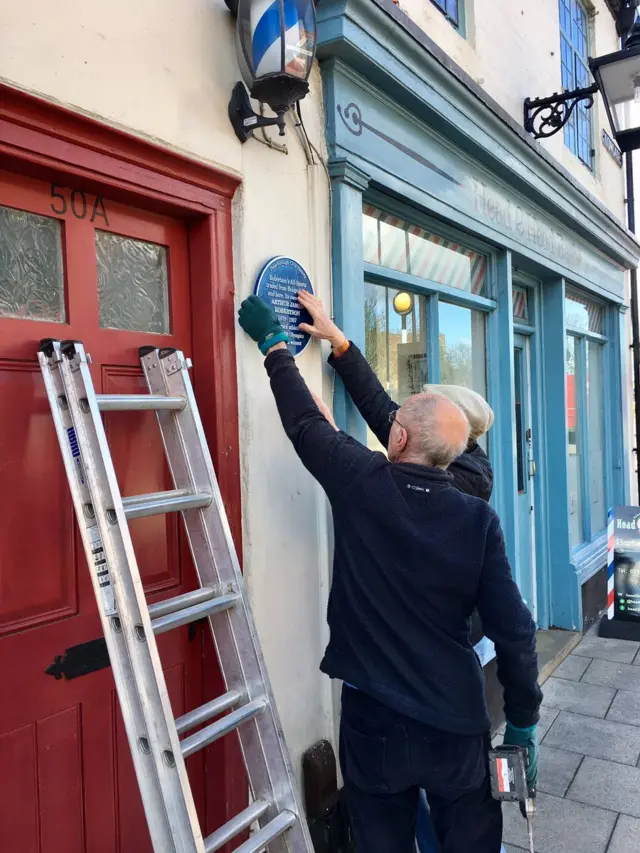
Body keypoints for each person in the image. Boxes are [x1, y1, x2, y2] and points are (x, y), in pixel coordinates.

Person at [238, 292, 542, 853]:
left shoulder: (364, 483)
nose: (388, 422)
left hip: (375, 719)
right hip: (455, 721)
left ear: (399, 439)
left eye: (394, 422)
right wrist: (522, 719)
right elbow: (516, 631)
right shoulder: (477, 515)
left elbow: (304, 423)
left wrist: (276, 346)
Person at [297, 295, 496, 853]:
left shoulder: (461, 487)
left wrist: (331, 440)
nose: (405, 411)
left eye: (420, 404)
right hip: (428, 683)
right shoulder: (447, 456)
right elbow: (383, 409)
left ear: (442, 426)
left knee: (432, 807)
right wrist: (338, 344)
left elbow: (382, 461)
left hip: (418, 684)